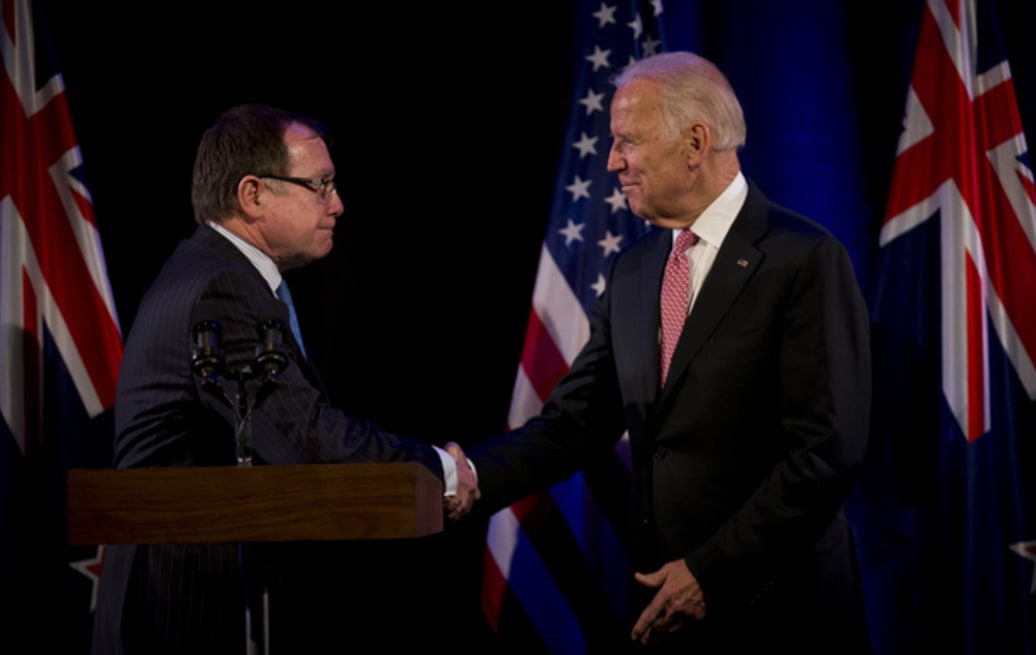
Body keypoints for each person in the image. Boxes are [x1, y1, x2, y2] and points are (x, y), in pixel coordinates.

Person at [459, 52, 872, 652]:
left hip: (779, 609)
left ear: (695, 142)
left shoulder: (802, 259)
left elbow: (825, 452)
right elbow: (573, 425)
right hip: (663, 610)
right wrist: (467, 476)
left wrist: (709, 571)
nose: (612, 161)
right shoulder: (633, 271)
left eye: (628, 140)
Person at [91, 103, 479, 654]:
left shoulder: (215, 272)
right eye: (319, 186)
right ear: (253, 195)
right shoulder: (221, 286)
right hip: (184, 604)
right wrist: (439, 468)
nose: (338, 205)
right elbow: (306, 438)